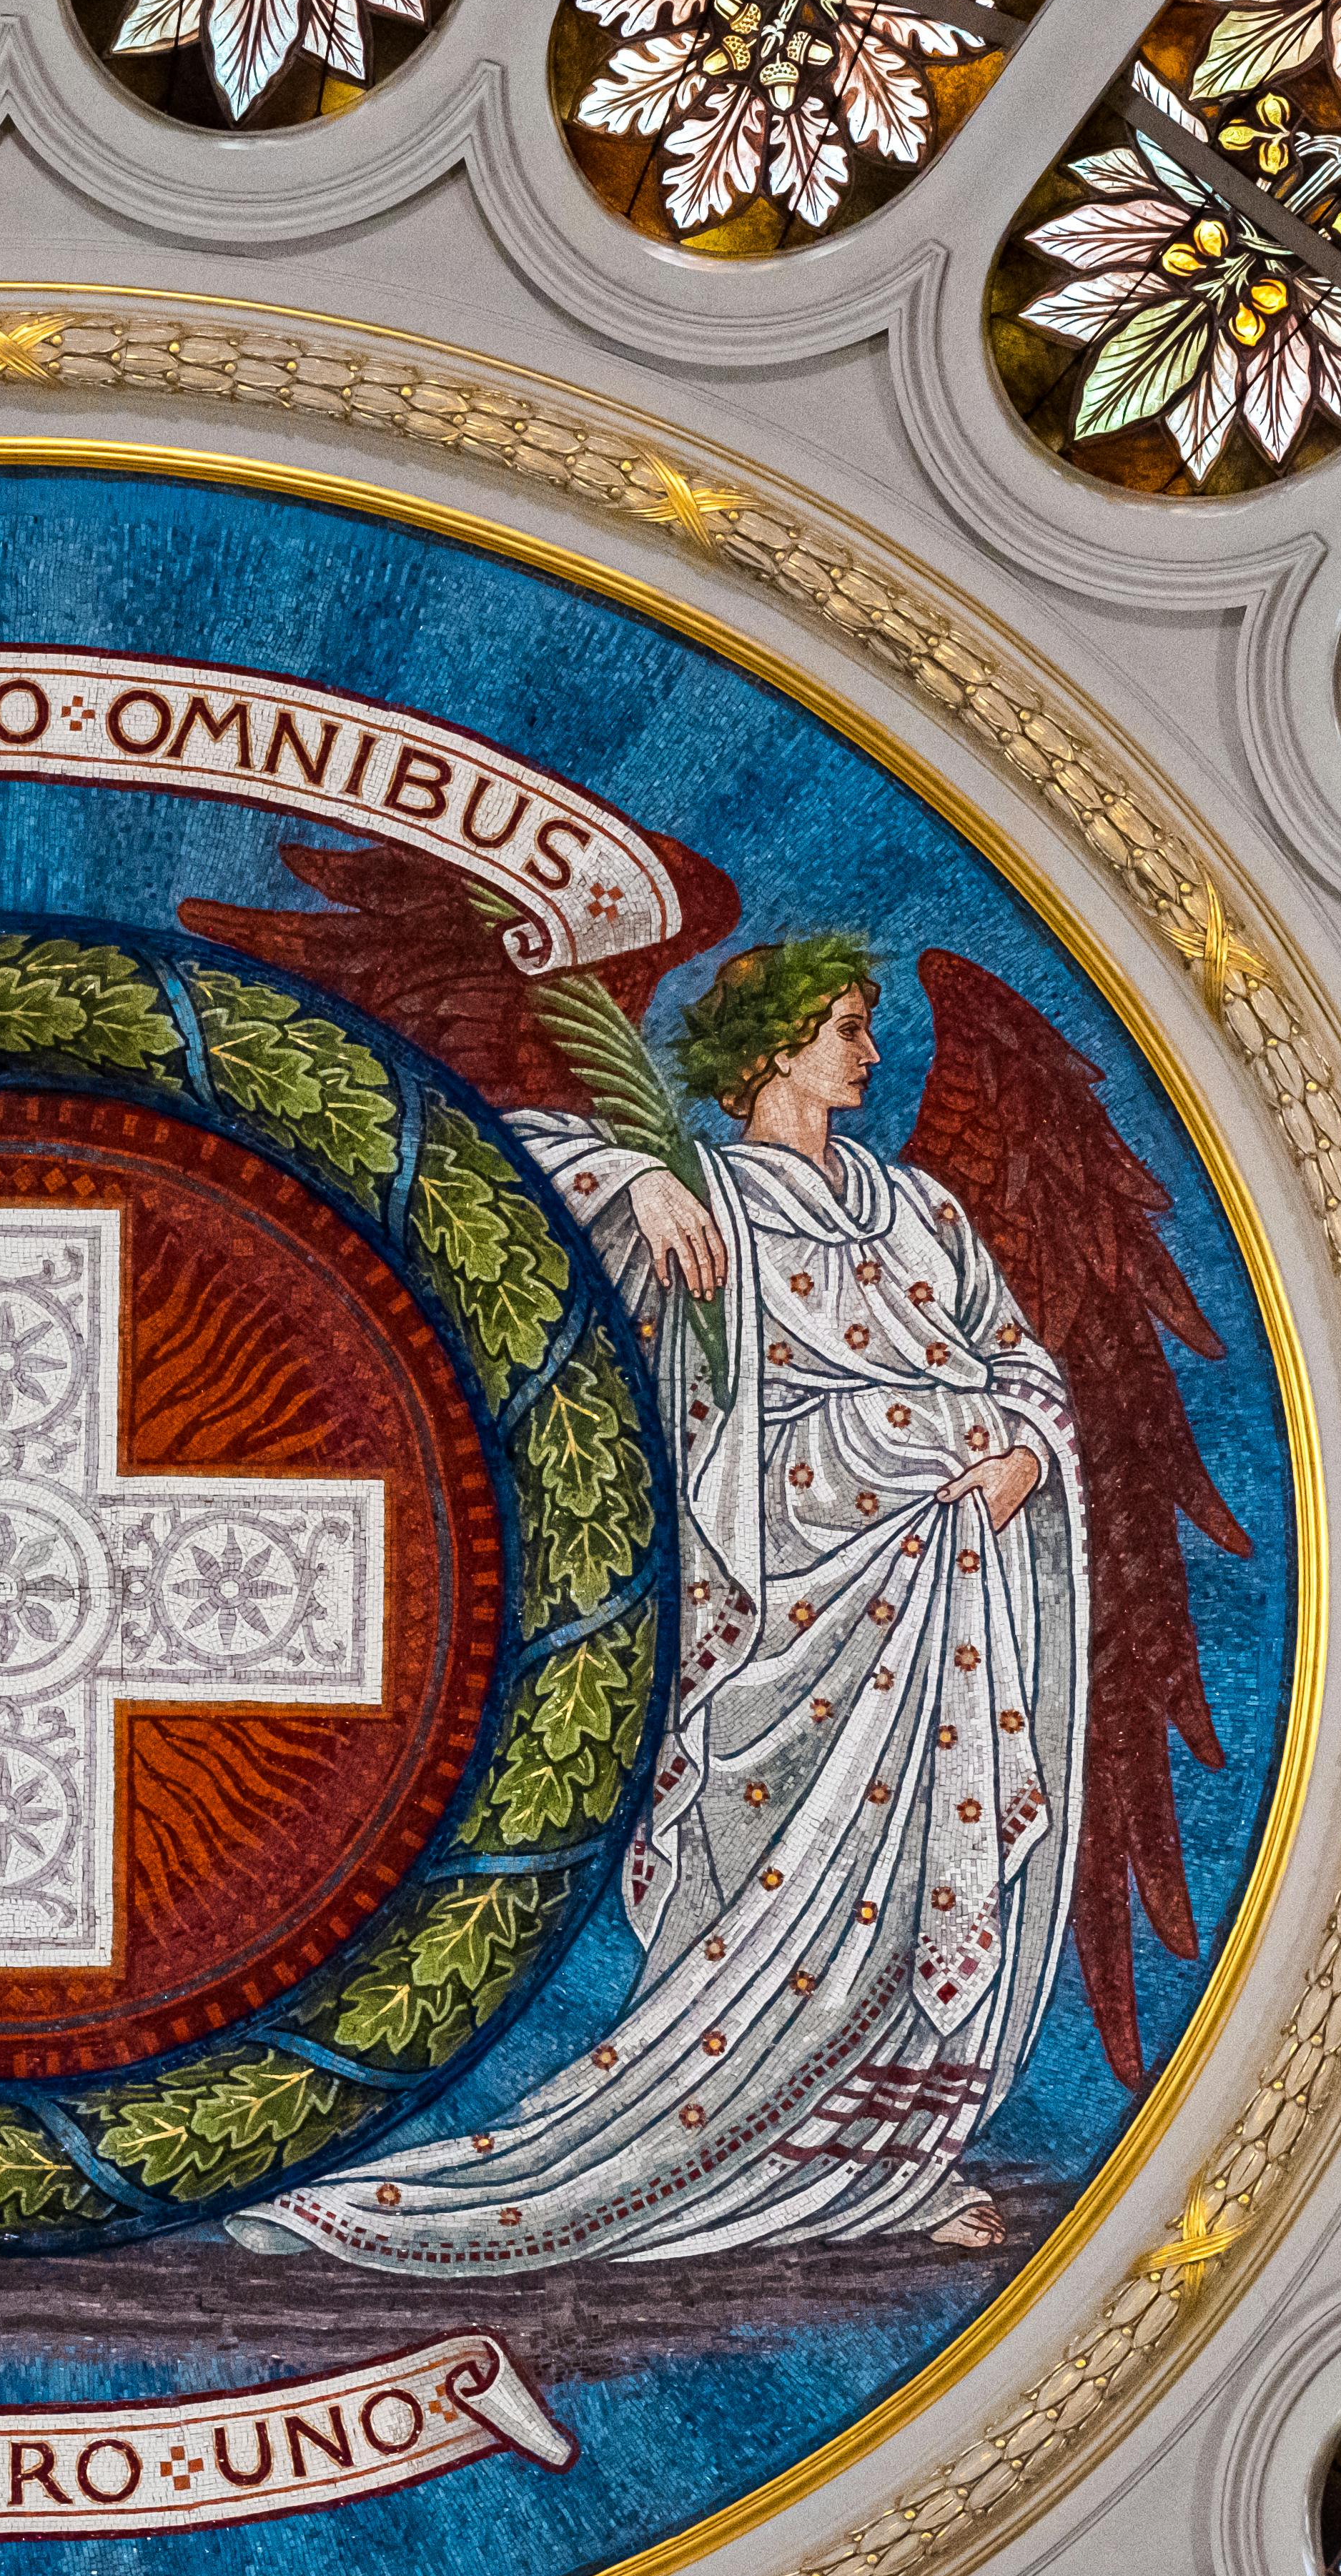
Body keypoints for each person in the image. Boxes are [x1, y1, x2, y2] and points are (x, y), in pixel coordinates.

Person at [262, 931, 1090, 2270]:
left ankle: (888, 2164)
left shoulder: (921, 1211)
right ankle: (711, 2144)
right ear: (773, 1048)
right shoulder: (706, 1191)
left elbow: (1014, 1357)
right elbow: (492, 1157)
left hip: (943, 1586)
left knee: (916, 1872)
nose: (871, 1053)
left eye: (866, 1026)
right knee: (763, 1888)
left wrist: (1023, 1456)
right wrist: (636, 1176)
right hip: (780, 1603)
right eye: (844, 1028)